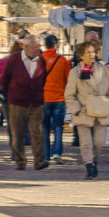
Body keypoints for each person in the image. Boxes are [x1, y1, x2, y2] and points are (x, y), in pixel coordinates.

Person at [68, 41, 109, 179]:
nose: (91, 55)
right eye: (88, 52)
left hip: (101, 110)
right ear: (82, 56)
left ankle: (93, 160)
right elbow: (69, 94)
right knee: (86, 142)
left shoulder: (103, 70)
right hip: (83, 112)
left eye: (93, 52)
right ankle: (88, 165)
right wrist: (76, 109)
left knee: (99, 141)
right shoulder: (75, 72)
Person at [0, 35, 49, 171]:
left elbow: (43, 77)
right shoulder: (14, 60)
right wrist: (10, 94)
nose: (36, 49)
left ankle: (39, 161)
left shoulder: (41, 60)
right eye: (34, 46)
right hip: (18, 102)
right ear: (25, 46)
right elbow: (4, 79)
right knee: (18, 133)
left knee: (37, 132)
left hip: (36, 102)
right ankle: (20, 160)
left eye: (38, 46)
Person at [39, 34, 70, 164]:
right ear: (56, 45)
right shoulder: (62, 60)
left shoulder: (39, 60)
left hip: (44, 98)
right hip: (59, 98)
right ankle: (56, 153)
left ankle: (45, 155)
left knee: (45, 127)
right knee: (58, 127)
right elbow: (68, 79)